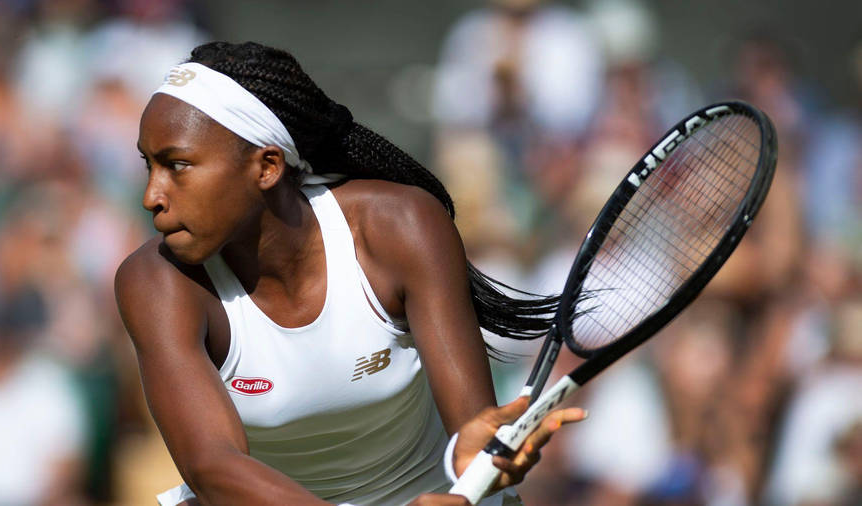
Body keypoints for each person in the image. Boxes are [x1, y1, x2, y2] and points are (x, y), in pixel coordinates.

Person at [114, 41, 586, 506]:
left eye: (178, 165)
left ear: (267, 166)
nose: (151, 195)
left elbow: (473, 433)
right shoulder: (154, 281)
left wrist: (483, 458)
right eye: (148, 165)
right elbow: (213, 467)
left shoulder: (400, 227)